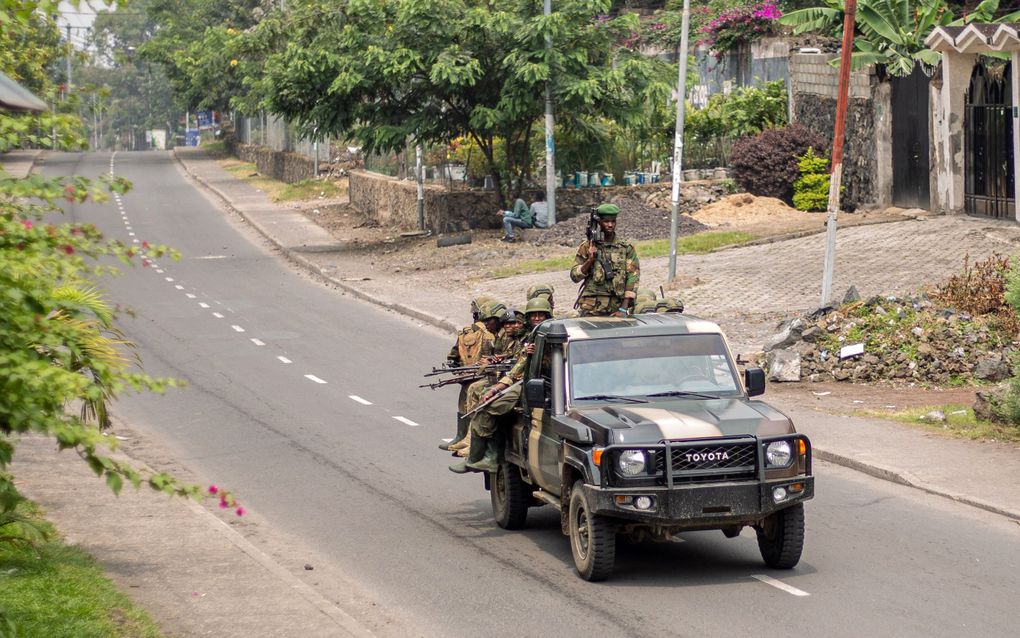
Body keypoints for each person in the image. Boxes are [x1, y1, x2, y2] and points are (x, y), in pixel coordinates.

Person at [450, 298, 552, 474]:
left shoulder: (551, 334)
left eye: (540, 315)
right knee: (485, 401)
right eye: (533, 315)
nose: (536, 318)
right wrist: (498, 386)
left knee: (490, 407)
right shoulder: (532, 337)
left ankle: (484, 458)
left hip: (540, 385)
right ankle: (477, 457)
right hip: (523, 380)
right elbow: (519, 365)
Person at [450, 308, 525, 457]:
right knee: (472, 389)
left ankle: (481, 449)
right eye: (508, 324)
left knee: (487, 399)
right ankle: (469, 438)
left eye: (515, 323)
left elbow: (518, 364)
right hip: (505, 376)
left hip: (514, 381)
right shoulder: (508, 337)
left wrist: (497, 365)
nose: (511, 327)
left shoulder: (525, 339)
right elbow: (510, 358)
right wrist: (495, 359)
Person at [438, 297, 500, 451]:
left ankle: (471, 439)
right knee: (464, 397)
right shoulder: (472, 333)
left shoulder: (498, 335)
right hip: (473, 375)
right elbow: (454, 355)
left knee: (474, 394)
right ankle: (463, 435)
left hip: (489, 377)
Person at [569, 203, 640, 317]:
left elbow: (633, 277)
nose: (610, 225)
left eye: (613, 221)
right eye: (606, 221)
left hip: (616, 307)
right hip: (591, 309)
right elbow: (574, 276)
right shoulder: (587, 246)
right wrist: (590, 261)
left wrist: (623, 308)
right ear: (599, 223)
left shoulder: (625, 247)